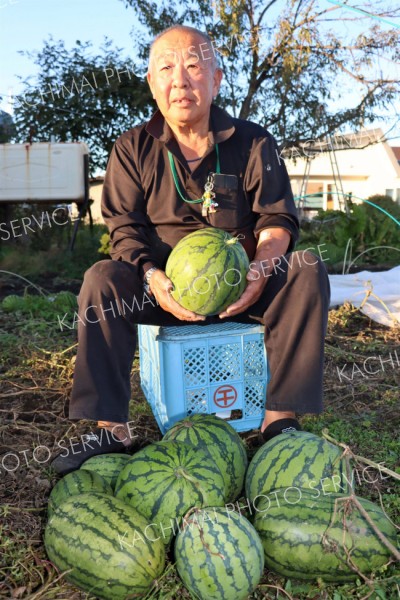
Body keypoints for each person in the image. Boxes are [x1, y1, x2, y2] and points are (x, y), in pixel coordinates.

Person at [51, 24, 330, 475]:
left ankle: (280, 421)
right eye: (166, 68)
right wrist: (151, 277)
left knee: (305, 268)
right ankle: (110, 429)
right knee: (101, 279)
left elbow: (277, 220)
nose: (180, 80)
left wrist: (260, 272)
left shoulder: (254, 142)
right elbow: (123, 230)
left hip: (243, 288)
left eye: (194, 67)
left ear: (216, 80)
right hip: (164, 293)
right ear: (152, 83)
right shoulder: (131, 148)